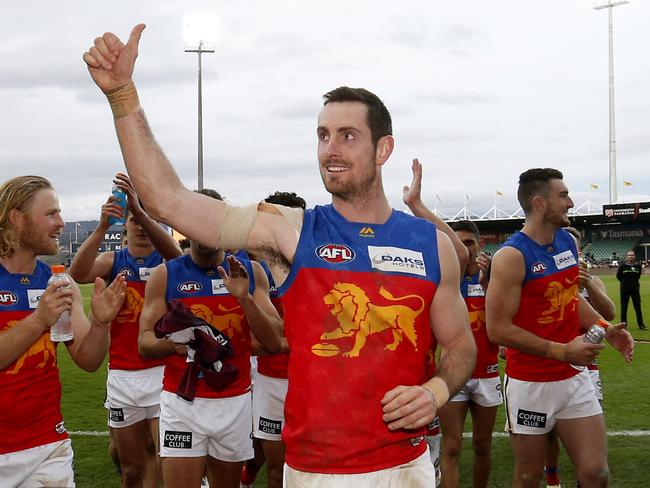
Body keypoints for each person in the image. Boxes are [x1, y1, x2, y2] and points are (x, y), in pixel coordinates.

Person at [84, 25, 476, 487]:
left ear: (383, 148)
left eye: (348, 136)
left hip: (404, 468)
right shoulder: (291, 229)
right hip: (313, 471)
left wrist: (436, 389)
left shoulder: (431, 245)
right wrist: (123, 96)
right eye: (323, 135)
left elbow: (460, 345)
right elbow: (168, 199)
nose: (331, 149)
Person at [486, 168, 634, 487]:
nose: (570, 202)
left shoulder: (567, 241)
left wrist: (606, 328)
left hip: (573, 379)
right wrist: (563, 350)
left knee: (596, 474)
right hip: (529, 384)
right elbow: (497, 329)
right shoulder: (511, 256)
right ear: (540, 203)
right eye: (563, 195)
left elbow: (569, 299)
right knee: (528, 477)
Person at [138, 188, 283, 488]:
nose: (202, 228)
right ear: (183, 226)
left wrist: (245, 300)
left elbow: (273, 342)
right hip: (183, 402)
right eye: (194, 219)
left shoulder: (249, 270)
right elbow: (144, 343)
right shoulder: (165, 275)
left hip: (235, 401)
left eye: (210, 219)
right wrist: (174, 345)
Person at [0, 175, 126, 487]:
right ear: (16, 218)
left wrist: (101, 322)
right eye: (51, 214)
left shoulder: (59, 282)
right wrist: (39, 319)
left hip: (47, 447)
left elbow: (88, 359)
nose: (60, 223)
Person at [69, 173, 181, 487]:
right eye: (135, 222)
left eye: (147, 222)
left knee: (163, 457)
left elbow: (180, 258)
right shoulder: (113, 260)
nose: (142, 229)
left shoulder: (168, 263)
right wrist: (103, 224)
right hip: (123, 378)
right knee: (131, 470)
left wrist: (143, 212)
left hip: (163, 373)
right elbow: (78, 273)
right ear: (126, 226)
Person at [543, 226, 617, 488]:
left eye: (572, 244)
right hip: (553, 359)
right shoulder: (546, 276)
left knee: (587, 427)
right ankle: (552, 478)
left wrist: (587, 287)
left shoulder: (590, 279)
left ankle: (582, 478)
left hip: (587, 365)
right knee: (549, 429)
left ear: (578, 248)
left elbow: (609, 313)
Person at [616, 250, 646, 330]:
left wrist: (633, 284)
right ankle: (623, 326)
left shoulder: (638, 266)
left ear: (634, 256)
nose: (631, 257)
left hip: (635, 290)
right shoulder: (622, 266)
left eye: (632, 255)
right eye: (629, 255)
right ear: (627, 257)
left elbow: (638, 276)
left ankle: (641, 325)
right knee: (624, 308)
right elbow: (618, 276)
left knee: (638, 308)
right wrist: (624, 283)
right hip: (624, 290)